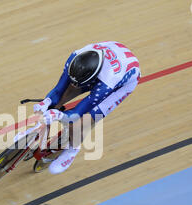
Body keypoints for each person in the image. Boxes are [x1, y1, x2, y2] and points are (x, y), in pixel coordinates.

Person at [33, 41, 141, 174]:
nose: (75, 86)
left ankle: (72, 151)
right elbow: (58, 89)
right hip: (108, 60)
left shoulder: (107, 81)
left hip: (121, 84)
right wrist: (47, 103)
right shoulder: (75, 57)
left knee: (80, 123)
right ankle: (40, 129)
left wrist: (60, 115)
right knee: (61, 96)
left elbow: (78, 113)